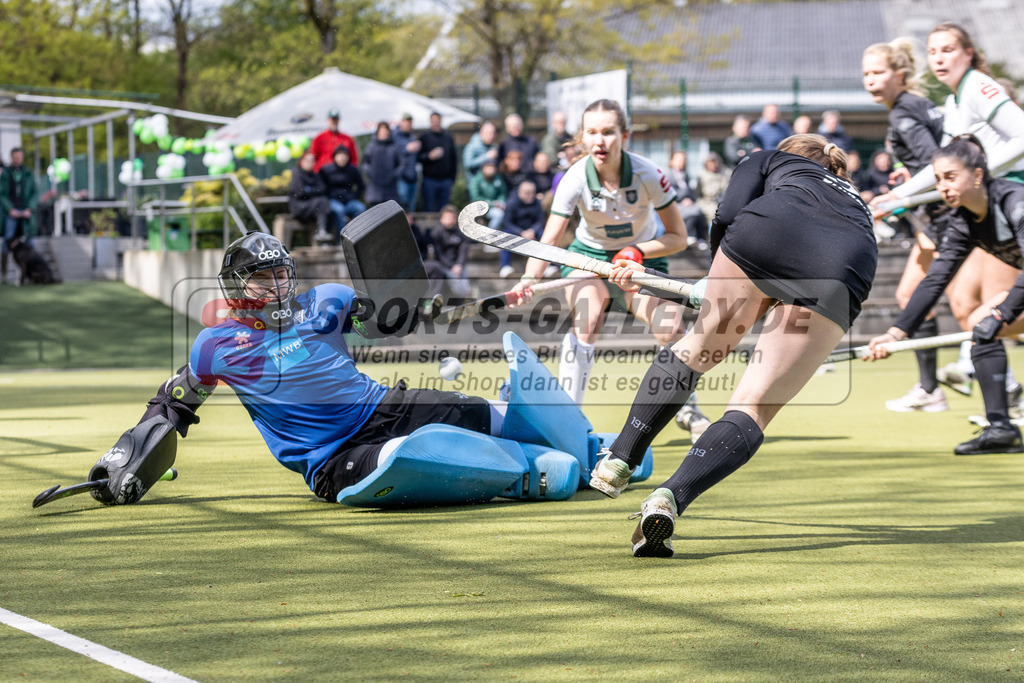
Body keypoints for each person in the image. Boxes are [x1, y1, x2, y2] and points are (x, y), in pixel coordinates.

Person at [591, 134, 877, 557]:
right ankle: (671, 497)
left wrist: (717, 280)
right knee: (754, 405)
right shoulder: (857, 200)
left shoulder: (768, 157)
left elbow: (727, 213)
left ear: (788, 151)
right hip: (846, 261)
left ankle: (619, 459)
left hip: (767, 234)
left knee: (697, 349)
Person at [130, 231, 514, 503]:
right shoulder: (215, 345)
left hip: (382, 406)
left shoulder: (326, 299)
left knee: (482, 413)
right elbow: (172, 403)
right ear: (235, 287)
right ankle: (511, 471)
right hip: (330, 458)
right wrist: (127, 461)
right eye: (262, 279)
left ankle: (537, 442)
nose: (276, 286)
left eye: (281, 275)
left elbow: (375, 324)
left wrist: (401, 311)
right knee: (403, 456)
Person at [509, 99, 711, 439]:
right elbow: (550, 240)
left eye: (608, 132)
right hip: (589, 258)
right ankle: (567, 423)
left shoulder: (649, 174)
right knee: (587, 319)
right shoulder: (573, 178)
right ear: (582, 138)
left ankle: (688, 410)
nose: (599, 140)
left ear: (624, 136)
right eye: (591, 132)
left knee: (670, 326)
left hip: (641, 260)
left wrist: (635, 251)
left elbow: (678, 237)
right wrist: (529, 277)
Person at [872, 22, 1024, 406]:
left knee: (993, 312)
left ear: (969, 53)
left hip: (1008, 206)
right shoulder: (955, 102)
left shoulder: (976, 86)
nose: (939, 58)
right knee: (973, 313)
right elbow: (947, 166)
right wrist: (900, 195)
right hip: (984, 212)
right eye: (933, 51)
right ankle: (1003, 410)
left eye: (948, 49)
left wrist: (981, 174)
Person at [867, 136, 1024, 454]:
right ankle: (1000, 429)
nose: (943, 187)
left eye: (950, 177)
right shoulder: (964, 220)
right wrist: (896, 332)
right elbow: (936, 278)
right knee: (982, 324)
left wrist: (1003, 312)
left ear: (977, 175)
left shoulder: (1014, 201)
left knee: (991, 318)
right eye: (938, 179)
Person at [862, 38, 951, 413]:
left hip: (949, 219)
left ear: (900, 75)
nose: (870, 80)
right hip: (933, 219)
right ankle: (930, 388)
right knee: (909, 296)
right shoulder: (913, 106)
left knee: (973, 307)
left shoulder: (903, 112)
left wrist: (900, 196)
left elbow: (939, 163)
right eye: (865, 73)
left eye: (878, 72)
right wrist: (907, 178)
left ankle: (1002, 387)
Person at [1, 148, 38, 284]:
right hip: (11, 212)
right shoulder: (6, 173)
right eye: (14, 157)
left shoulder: (28, 173)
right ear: (11, 158)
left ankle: (31, 274)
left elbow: (34, 193)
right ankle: (4, 275)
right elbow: (2, 194)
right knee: (7, 242)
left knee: (30, 241)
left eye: (19, 157)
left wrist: (30, 208)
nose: (17, 159)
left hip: (26, 211)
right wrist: (10, 209)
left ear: (22, 157)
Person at [499, 180, 545, 278]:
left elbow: (540, 221)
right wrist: (521, 232)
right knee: (506, 235)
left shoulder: (537, 203)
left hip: (532, 231)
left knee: (544, 234)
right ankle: (505, 266)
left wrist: (532, 231)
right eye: (527, 193)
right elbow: (507, 223)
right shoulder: (511, 203)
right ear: (520, 192)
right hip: (516, 230)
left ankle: (548, 265)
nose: (530, 195)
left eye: (532, 193)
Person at [320, 146, 366, 239]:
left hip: (349, 201)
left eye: (345, 155)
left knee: (360, 208)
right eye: (339, 155)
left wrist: (354, 196)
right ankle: (341, 241)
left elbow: (362, 186)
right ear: (335, 157)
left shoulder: (353, 170)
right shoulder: (326, 170)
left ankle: (358, 237)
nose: (342, 158)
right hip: (332, 201)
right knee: (340, 210)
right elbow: (320, 187)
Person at [666, 150, 708, 247]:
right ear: (672, 161)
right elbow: (669, 193)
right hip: (675, 203)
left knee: (700, 212)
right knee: (692, 213)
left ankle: (701, 238)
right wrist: (683, 198)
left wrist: (689, 199)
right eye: (679, 160)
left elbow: (690, 191)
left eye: (683, 160)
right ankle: (688, 235)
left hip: (687, 202)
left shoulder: (686, 174)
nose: (682, 162)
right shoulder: (668, 175)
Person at [287, 151, 331, 244]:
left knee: (324, 203)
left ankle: (323, 234)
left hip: (312, 206)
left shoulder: (315, 174)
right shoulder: (297, 172)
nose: (309, 163)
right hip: (299, 208)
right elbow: (299, 192)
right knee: (322, 202)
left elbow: (323, 189)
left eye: (311, 160)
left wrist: (308, 190)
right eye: (307, 160)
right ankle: (322, 232)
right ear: (301, 161)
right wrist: (314, 191)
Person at [418, 112, 458, 212]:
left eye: (438, 121)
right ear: (430, 122)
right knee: (429, 208)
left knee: (444, 209)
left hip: (446, 180)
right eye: (433, 121)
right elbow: (418, 157)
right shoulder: (424, 137)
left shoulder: (448, 138)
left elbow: (454, 158)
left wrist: (452, 178)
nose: (436, 123)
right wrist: (429, 156)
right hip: (429, 180)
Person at [430, 204, 472, 298]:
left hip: (459, 265)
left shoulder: (461, 233)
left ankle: (468, 296)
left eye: (452, 218)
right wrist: (451, 266)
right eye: (447, 217)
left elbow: (463, 251)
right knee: (454, 278)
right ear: (441, 219)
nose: (450, 220)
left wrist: (459, 264)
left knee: (464, 277)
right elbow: (439, 254)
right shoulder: (437, 233)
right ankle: (465, 298)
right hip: (444, 265)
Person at [361, 121, 403, 207]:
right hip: (375, 188)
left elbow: (401, 163)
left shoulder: (394, 147)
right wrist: (371, 173)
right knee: (375, 214)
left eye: (386, 130)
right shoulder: (371, 146)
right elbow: (365, 162)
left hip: (391, 188)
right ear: (378, 132)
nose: (384, 132)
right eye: (382, 130)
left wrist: (394, 175)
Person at [468, 159, 507, 236]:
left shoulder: (497, 178)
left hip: (498, 205)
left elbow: (503, 193)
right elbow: (475, 198)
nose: (491, 170)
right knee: (499, 215)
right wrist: (492, 203)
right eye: (488, 167)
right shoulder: (476, 180)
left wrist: (501, 202)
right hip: (481, 208)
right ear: (483, 168)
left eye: (493, 167)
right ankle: (489, 236)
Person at [392, 113, 422, 211]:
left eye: (410, 122)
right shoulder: (394, 136)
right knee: (401, 205)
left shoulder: (412, 137)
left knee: (411, 207)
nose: (408, 124)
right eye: (406, 122)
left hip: (413, 176)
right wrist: (406, 149)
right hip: (401, 177)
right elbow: (392, 154)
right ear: (401, 122)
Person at [696, 152, 731, 225]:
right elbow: (697, 194)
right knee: (711, 214)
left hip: (723, 201)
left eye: (715, 162)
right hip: (707, 202)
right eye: (710, 163)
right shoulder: (702, 175)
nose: (713, 165)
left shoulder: (726, 172)